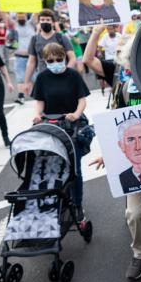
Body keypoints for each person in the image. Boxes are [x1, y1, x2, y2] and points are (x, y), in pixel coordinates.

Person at [86, 30, 141, 281]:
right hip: (134, 161)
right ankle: (140, 253)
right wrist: (109, 155)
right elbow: (115, 125)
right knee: (134, 213)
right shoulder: (124, 89)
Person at [32, 43, 91, 220]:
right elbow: (40, 101)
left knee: (75, 168)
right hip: (51, 125)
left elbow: (82, 100)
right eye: (51, 60)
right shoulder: (42, 77)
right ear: (45, 60)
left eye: (59, 59)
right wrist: (37, 115)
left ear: (65, 57)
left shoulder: (73, 75)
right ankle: (56, 201)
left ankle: (78, 204)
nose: (56, 62)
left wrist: (76, 114)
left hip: (72, 124)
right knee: (53, 165)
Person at [23, 9, 77, 94]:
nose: (45, 22)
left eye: (48, 20)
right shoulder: (34, 39)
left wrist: (66, 72)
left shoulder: (62, 38)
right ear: (39, 23)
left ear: (53, 22)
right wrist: (26, 82)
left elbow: (72, 58)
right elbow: (31, 62)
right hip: (44, 79)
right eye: (42, 20)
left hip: (62, 77)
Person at [11, 13, 36, 104]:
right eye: (19, 15)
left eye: (22, 15)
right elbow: (4, 16)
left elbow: (36, 12)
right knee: (20, 78)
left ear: (26, 16)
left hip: (32, 56)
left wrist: (39, 1)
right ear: (16, 17)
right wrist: (0, 1)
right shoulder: (14, 24)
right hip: (19, 56)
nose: (21, 17)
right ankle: (21, 96)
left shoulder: (31, 24)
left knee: (35, 77)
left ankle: (38, 94)